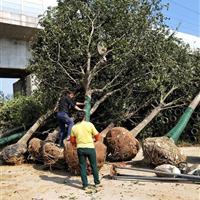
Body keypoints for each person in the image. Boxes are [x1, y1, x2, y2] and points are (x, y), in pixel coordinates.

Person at [70, 111, 101, 191]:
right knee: (94, 165)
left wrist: (76, 145)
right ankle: (97, 183)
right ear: (84, 117)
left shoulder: (74, 127)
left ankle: (85, 185)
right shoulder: (90, 125)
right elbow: (97, 136)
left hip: (80, 149)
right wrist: (94, 141)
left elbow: (72, 140)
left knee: (82, 167)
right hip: (90, 148)